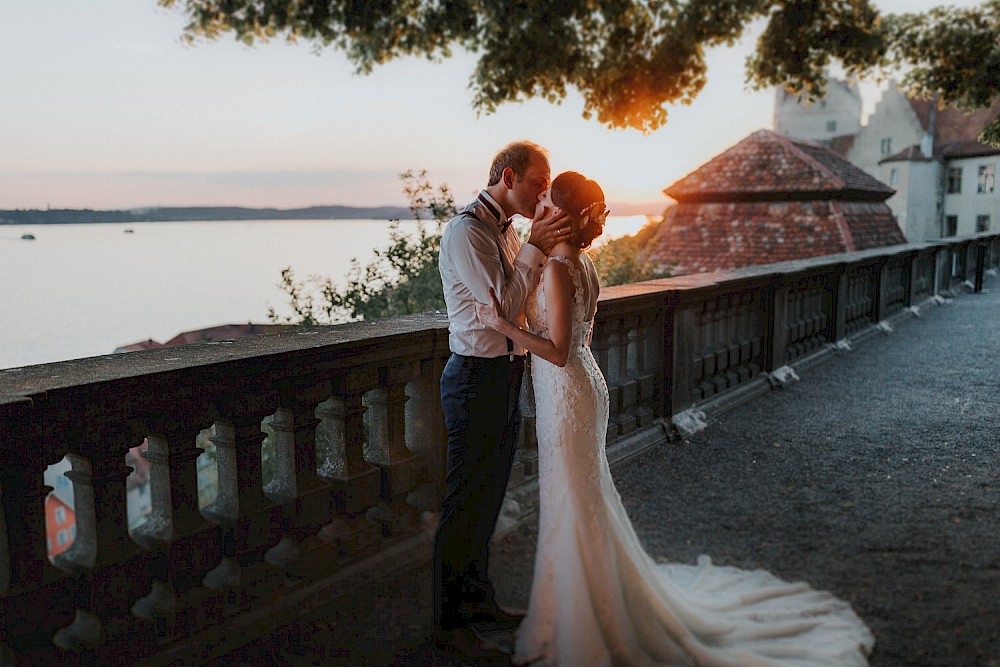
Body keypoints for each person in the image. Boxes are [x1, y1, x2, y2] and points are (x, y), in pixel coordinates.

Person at [476, 171, 876, 666]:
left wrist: (502, 328)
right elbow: (576, 335)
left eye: (546, 203)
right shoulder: (582, 262)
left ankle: (580, 623)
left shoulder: (556, 269)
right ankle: (579, 609)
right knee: (581, 499)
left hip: (566, 391)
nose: (539, 206)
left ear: (559, 215)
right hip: (584, 385)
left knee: (572, 502)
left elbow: (556, 350)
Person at [433, 141, 568, 658]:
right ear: (509, 176)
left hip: (505, 375)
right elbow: (503, 310)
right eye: (538, 183)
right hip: (473, 377)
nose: (543, 194)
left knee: (489, 496)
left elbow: (524, 302)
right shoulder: (467, 230)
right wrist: (535, 247)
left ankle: (478, 600)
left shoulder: (505, 232)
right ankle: (447, 624)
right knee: (464, 501)